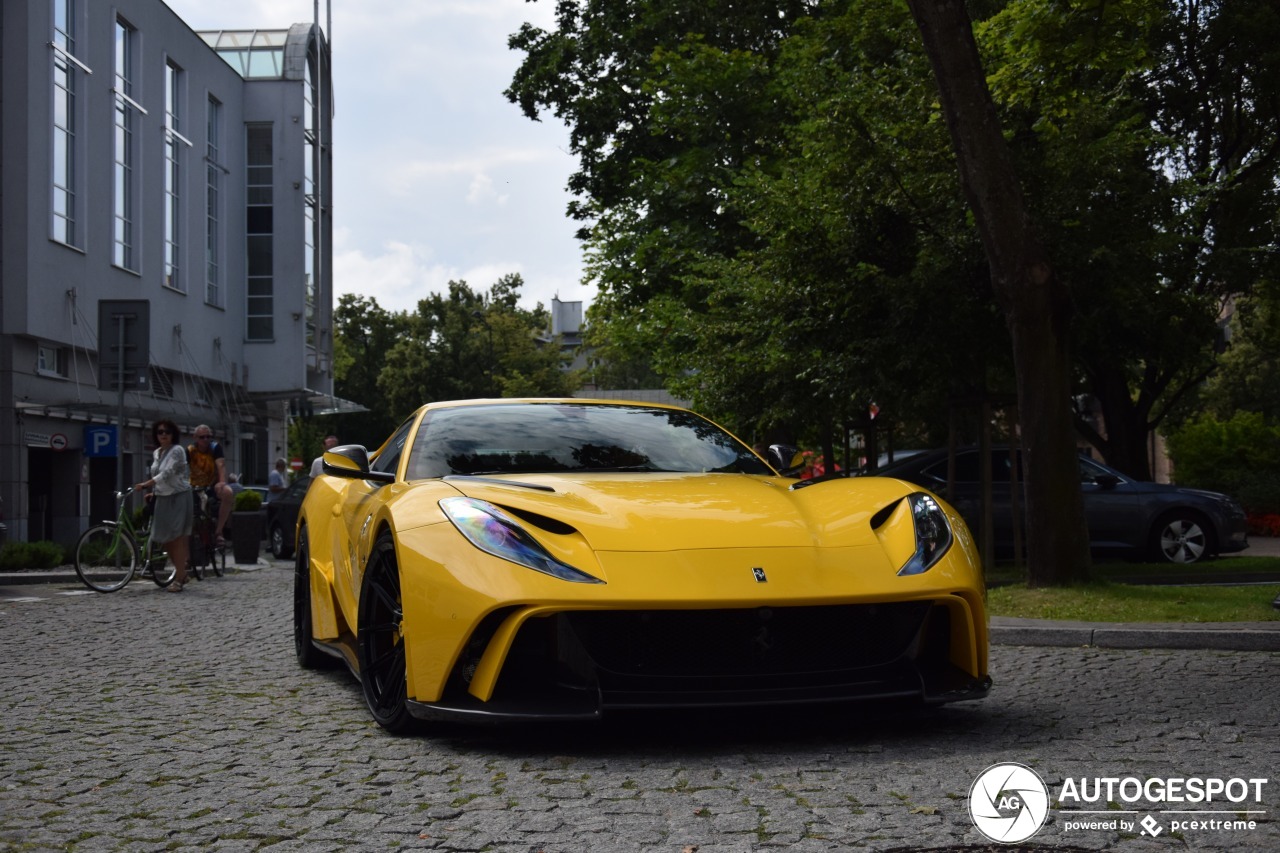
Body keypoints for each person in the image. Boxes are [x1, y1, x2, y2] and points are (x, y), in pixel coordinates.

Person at [135, 419, 193, 592]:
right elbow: (160, 474)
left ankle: (179, 579)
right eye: (160, 432)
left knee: (176, 537)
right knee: (163, 538)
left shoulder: (177, 450)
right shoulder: (157, 453)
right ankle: (182, 573)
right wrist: (154, 490)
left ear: (173, 434)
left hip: (178, 496)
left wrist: (147, 483)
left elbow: (168, 473)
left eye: (167, 432)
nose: (164, 435)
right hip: (163, 497)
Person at [188, 425, 234, 545]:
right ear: (195, 437)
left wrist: (222, 482)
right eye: (202, 437)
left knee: (228, 493)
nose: (206, 440)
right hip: (194, 486)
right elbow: (181, 469)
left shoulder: (215, 447)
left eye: (208, 436)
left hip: (211, 486)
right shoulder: (190, 450)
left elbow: (221, 465)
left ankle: (219, 531)